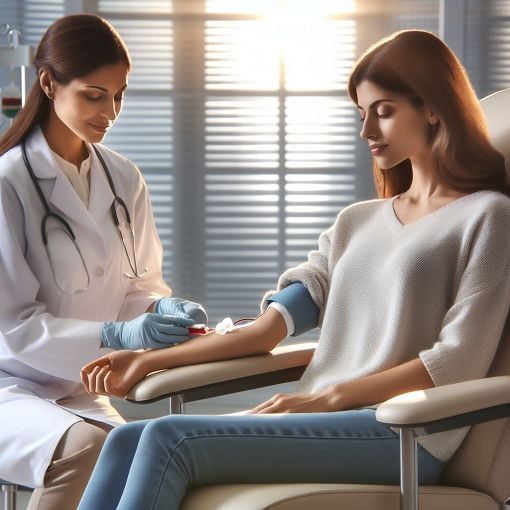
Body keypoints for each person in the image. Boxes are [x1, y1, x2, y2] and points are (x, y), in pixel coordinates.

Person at [79, 29, 510, 510]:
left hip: (404, 430)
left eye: (383, 111)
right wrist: (149, 358)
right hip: (328, 416)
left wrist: (327, 399)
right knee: (124, 441)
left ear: (432, 107)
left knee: (169, 439)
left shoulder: (487, 216)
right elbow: (265, 332)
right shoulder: (357, 222)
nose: (367, 130)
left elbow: (458, 361)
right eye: (362, 113)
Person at [0, 14, 208, 510]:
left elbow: (139, 285)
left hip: (81, 387)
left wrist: (161, 312)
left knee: (154, 457)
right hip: (10, 385)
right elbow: (13, 327)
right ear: (49, 83)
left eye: (119, 95)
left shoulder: (122, 178)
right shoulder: (8, 182)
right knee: (84, 450)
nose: (110, 111)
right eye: (95, 94)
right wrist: (116, 337)